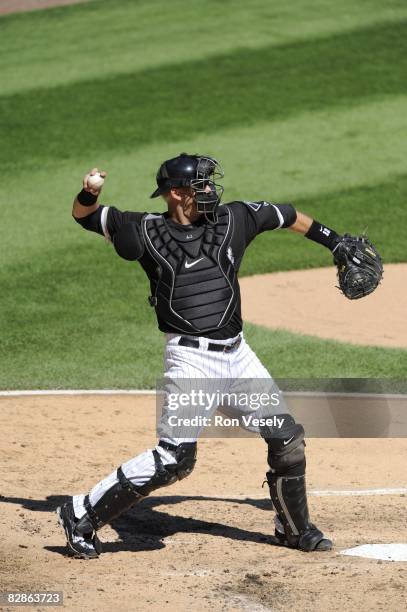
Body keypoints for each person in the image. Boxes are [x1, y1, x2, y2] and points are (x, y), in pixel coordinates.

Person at [57, 153, 340, 559]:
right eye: (201, 185)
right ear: (176, 193)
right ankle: (80, 513)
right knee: (175, 459)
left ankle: (295, 529)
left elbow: (287, 214)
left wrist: (337, 242)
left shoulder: (235, 219)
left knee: (287, 438)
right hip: (192, 362)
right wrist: (88, 193)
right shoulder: (142, 230)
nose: (210, 191)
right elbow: (85, 217)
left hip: (238, 356)